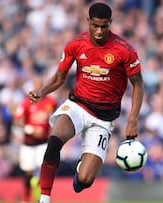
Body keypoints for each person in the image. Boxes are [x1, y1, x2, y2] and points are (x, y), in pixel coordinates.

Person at [28, 2, 144, 203]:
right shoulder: (76, 44)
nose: (99, 31)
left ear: (110, 23)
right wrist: (42, 92)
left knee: (85, 181)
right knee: (54, 141)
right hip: (78, 105)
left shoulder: (125, 50)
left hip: (103, 119)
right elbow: (59, 78)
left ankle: (82, 171)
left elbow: (138, 85)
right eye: (95, 26)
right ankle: (44, 199)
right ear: (88, 21)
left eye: (104, 26)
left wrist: (132, 120)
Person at [13, 77, 58, 203]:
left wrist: (52, 130)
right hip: (28, 144)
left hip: (43, 143)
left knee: (44, 171)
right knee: (28, 173)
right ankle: (26, 199)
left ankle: (43, 198)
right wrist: (31, 130)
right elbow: (17, 121)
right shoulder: (26, 103)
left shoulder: (51, 102)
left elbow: (57, 116)